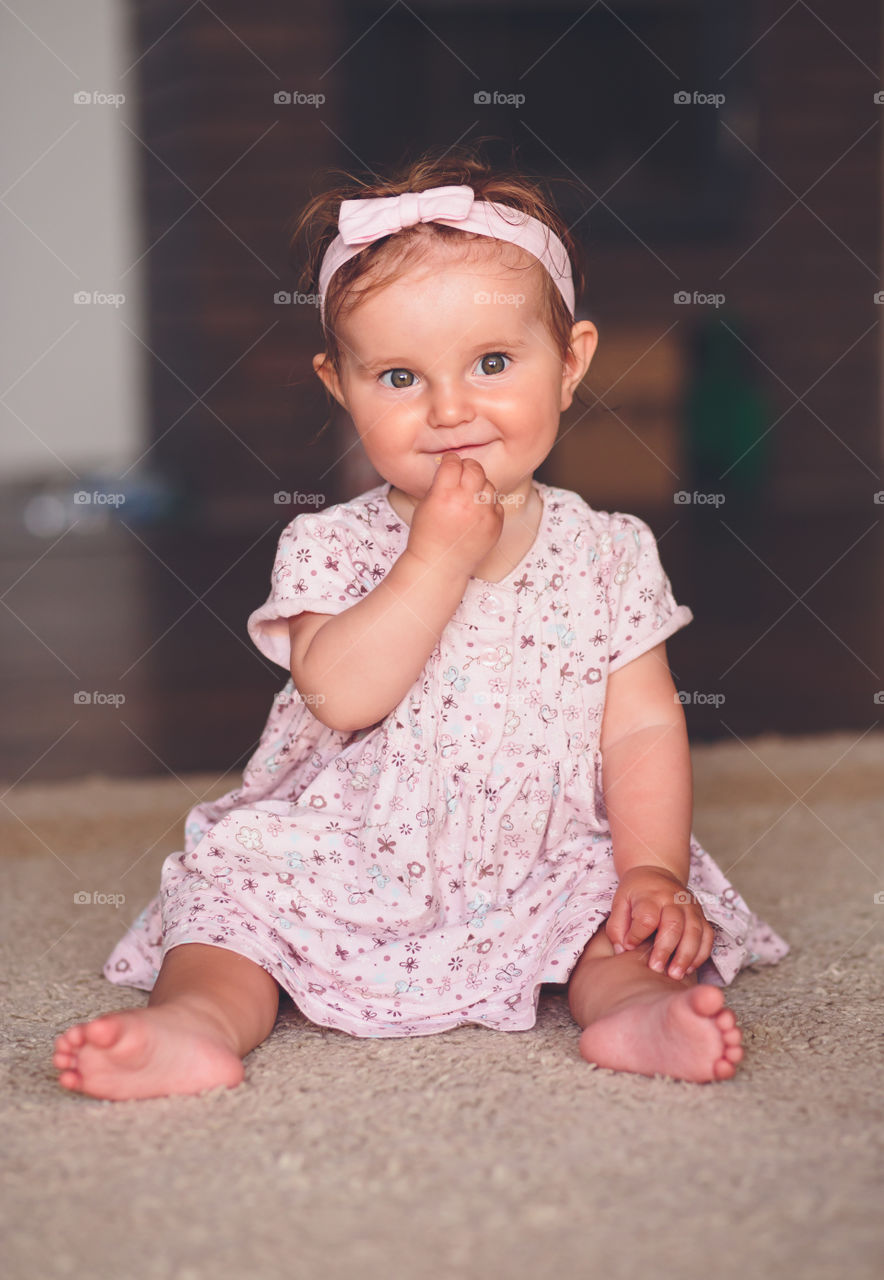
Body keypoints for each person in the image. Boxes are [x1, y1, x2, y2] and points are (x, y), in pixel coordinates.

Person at [53, 145, 789, 1100]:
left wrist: (649, 867)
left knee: (614, 918)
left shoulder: (609, 549)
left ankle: (636, 1013)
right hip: (346, 847)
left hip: (537, 848)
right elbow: (342, 693)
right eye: (399, 378)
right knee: (230, 896)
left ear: (570, 365)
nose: (450, 409)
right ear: (339, 386)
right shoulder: (327, 543)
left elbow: (643, 723)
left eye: (492, 363)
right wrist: (435, 557)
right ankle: (193, 1023)